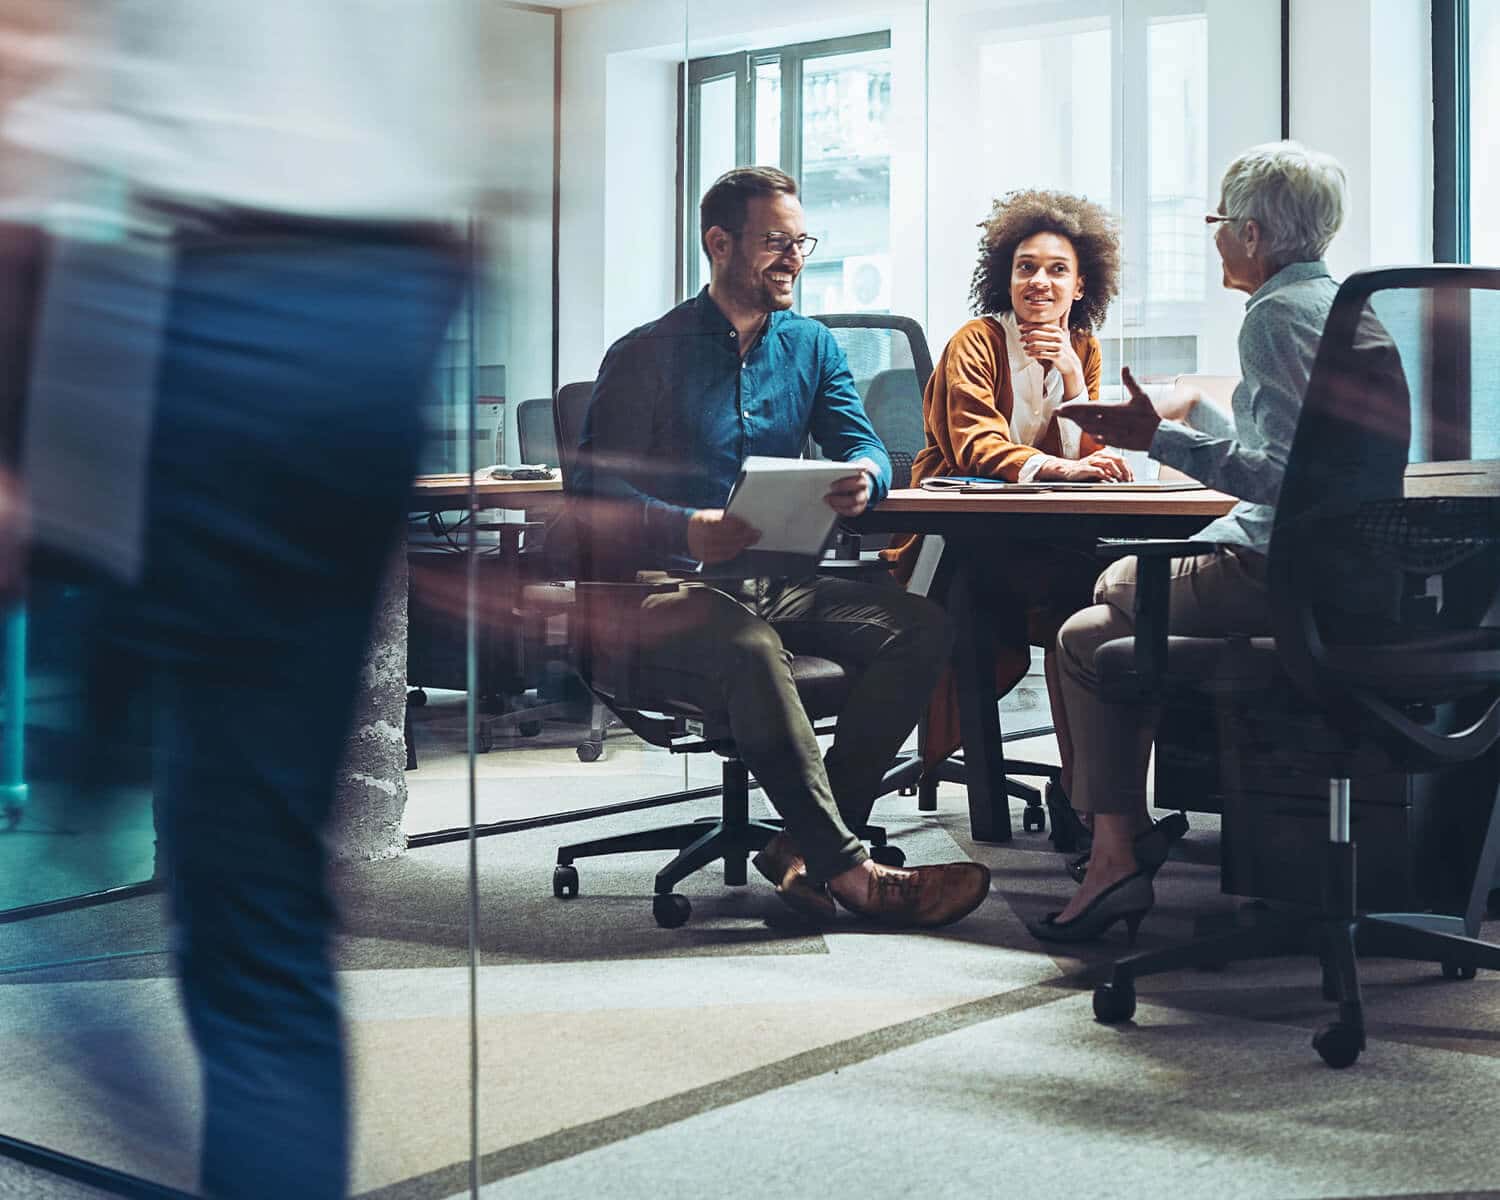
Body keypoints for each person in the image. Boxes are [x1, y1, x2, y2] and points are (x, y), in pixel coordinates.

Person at [1, 3, 485, 1196]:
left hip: (197, 306)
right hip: (386, 315)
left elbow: (34, 53)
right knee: (265, 913)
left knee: (61, 882)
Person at [573, 165, 990, 928]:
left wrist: (866, 479)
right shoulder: (646, 354)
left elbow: (864, 445)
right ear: (719, 243)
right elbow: (591, 498)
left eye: (801, 241)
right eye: (776, 242)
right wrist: (685, 525)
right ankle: (854, 873)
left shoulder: (813, 347)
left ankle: (802, 845)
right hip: (659, 591)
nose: (794, 257)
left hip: (774, 581)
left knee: (920, 627)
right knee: (750, 645)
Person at [1030, 140, 1357, 943]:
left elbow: (1283, 478)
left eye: (1217, 221)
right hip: (1347, 575)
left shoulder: (1274, 316)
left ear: (1251, 233)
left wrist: (1156, 441)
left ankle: (1118, 856)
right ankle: (1115, 850)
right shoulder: (1348, 306)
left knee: (1108, 590)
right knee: (1087, 639)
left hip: (1273, 573)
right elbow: (1307, 453)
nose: (1212, 236)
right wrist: (1186, 416)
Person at [883, 190, 1132, 837]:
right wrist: (1061, 468)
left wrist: (1074, 381)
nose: (1039, 282)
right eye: (1026, 267)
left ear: (1081, 285)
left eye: (1056, 270)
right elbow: (974, 444)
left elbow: (1092, 456)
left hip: (1034, 536)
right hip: (953, 539)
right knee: (1059, 592)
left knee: (1091, 601)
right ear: (1005, 276)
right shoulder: (976, 341)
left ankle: (1083, 796)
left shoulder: (1083, 347)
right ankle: (1071, 800)